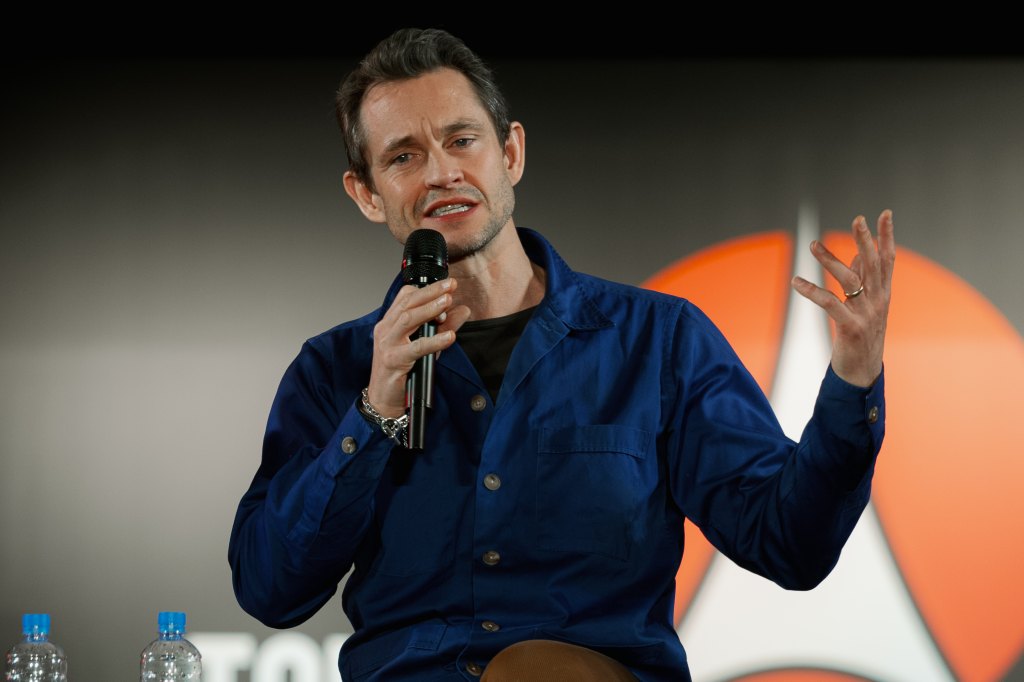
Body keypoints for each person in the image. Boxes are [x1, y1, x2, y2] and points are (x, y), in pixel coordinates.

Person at [228, 27, 895, 682]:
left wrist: (853, 381)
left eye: (462, 140)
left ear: (511, 153)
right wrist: (372, 415)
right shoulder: (334, 370)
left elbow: (790, 544)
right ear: (368, 195)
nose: (441, 172)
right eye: (403, 157)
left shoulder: (658, 342)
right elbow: (270, 589)